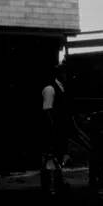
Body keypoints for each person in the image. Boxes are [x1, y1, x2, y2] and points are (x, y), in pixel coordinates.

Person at [41, 64, 72, 195]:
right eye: (63, 73)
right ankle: (51, 187)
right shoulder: (50, 88)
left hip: (59, 128)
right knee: (50, 158)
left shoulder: (61, 87)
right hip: (51, 129)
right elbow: (48, 111)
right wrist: (53, 131)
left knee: (58, 157)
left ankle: (57, 185)